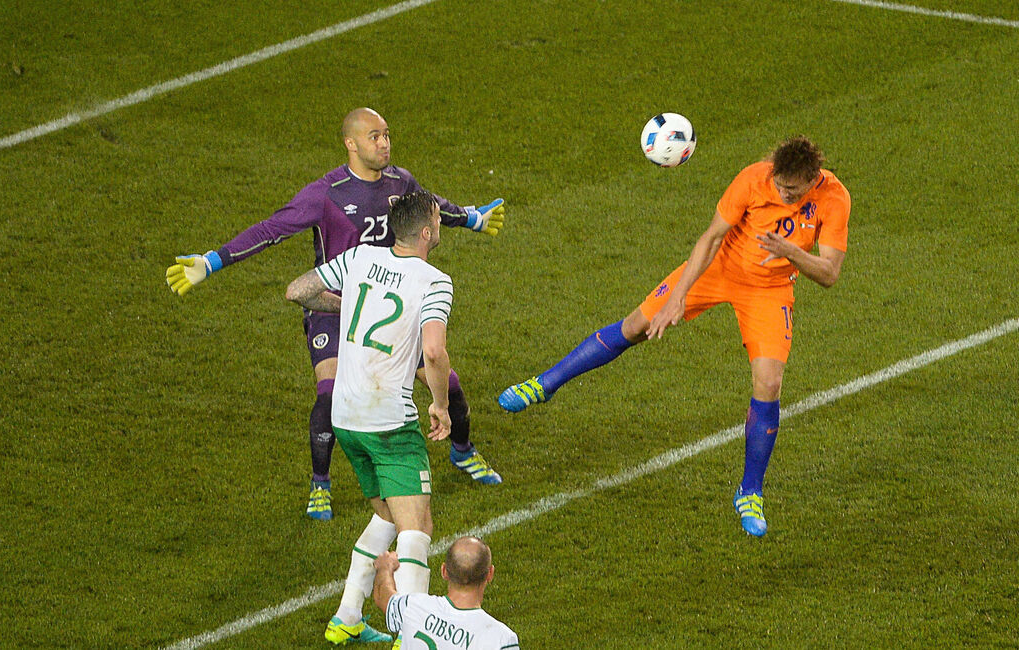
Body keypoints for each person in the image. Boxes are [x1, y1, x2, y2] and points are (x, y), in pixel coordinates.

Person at [498, 136, 850, 538]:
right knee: (637, 326)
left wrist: (791, 252)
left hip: (769, 291)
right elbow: (711, 238)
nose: (784, 194)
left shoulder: (835, 198)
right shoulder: (754, 179)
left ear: (812, 180)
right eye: (780, 186)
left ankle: (750, 491)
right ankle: (543, 384)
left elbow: (829, 274)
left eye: (792, 191)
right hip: (718, 269)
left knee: (769, 383)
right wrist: (678, 297)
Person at [166, 108, 506, 521]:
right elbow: (271, 229)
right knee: (328, 393)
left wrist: (473, 218)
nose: (384, 144)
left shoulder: (401, 182)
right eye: (375, 137)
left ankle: (463, 451)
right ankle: (321, 484)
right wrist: (212, 262)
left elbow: (430, 210)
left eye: (386, 136)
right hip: (335, 307)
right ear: (351, 144)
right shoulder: (326, 193)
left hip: (391, 309)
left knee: (447, 384)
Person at [286, 191, 453, 644]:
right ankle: (414, 635)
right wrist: (439, 405)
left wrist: (350, 306)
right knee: (417, 529)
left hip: (345, 416)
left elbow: (297, 291)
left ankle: (346, 617)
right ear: (425, 231)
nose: (439, 227)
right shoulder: (434, 281)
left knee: (387, 515)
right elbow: (434, 352)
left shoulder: (359, 257)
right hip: (390, 423)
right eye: (437, 221)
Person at [372, 536, 519, 650]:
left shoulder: (413, 607)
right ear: (490, 574)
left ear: (444, 571)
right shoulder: (500, 638)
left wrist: (385, 567)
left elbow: (382, 596)